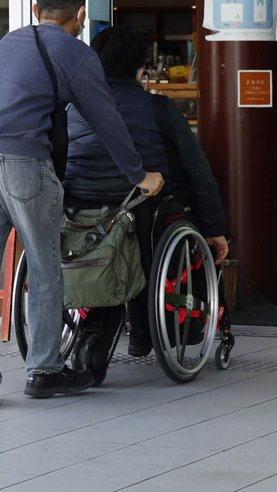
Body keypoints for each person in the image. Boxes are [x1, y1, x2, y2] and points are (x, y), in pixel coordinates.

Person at [0, 0, 164, 408]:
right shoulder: (78, 55)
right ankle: (45, 369)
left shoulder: (9, 43)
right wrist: (137, 175)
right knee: (45, 266)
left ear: (36, 10)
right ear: (81, 14)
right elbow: (106, 119)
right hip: (23, 162)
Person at [63, 26, 230, 380]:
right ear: (141, 71)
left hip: (81, 217)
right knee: (153, 224)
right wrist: (215, 229)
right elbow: (199, 174)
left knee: (134, 227)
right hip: (147, 221)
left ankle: (110, 333)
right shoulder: (159, 109)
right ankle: (143, 335)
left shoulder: (72, 110)